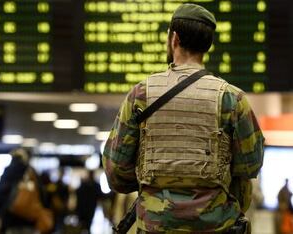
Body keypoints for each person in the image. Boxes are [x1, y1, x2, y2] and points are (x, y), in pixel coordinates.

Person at [102, 3, 265, 233]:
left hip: (155, 226)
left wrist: (149, 185)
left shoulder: (140, 95)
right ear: (208, 44)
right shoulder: (232, 98)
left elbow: (115, 171)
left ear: (174, 38)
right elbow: (251, 165)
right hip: (217, 227)